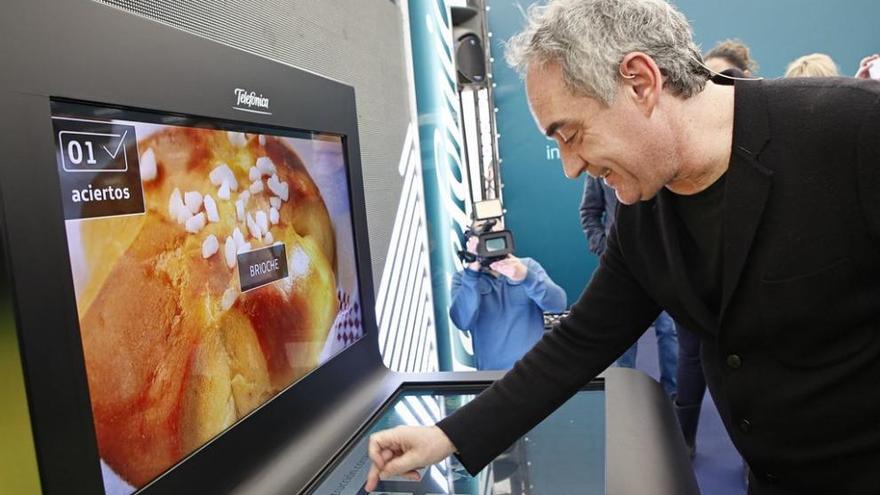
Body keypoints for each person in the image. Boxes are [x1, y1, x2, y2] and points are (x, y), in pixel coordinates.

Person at [366, 0, 880, 493]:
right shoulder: (643, 216)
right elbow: (580, 343)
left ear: (640, 81)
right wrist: (447, 436)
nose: (570, 167)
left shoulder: (855, 131)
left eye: (571, 135)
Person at [580, 174, 678, 396]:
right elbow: (589, 212)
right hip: (623, 267)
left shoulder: (655, 160)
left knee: (669, 330)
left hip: (662, 263)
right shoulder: (598, 168)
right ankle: (624, 394)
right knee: (622, 333)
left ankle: (672, 395)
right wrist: (604, 248)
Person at [450, 233, 567, 370]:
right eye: (485, 239)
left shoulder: (527, 266)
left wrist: (526, 277)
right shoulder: (463, 279)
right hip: (493, 379)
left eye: (497, 235)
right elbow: (461, 321)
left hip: (537, 372)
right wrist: (472, 271)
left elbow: (558, 305)